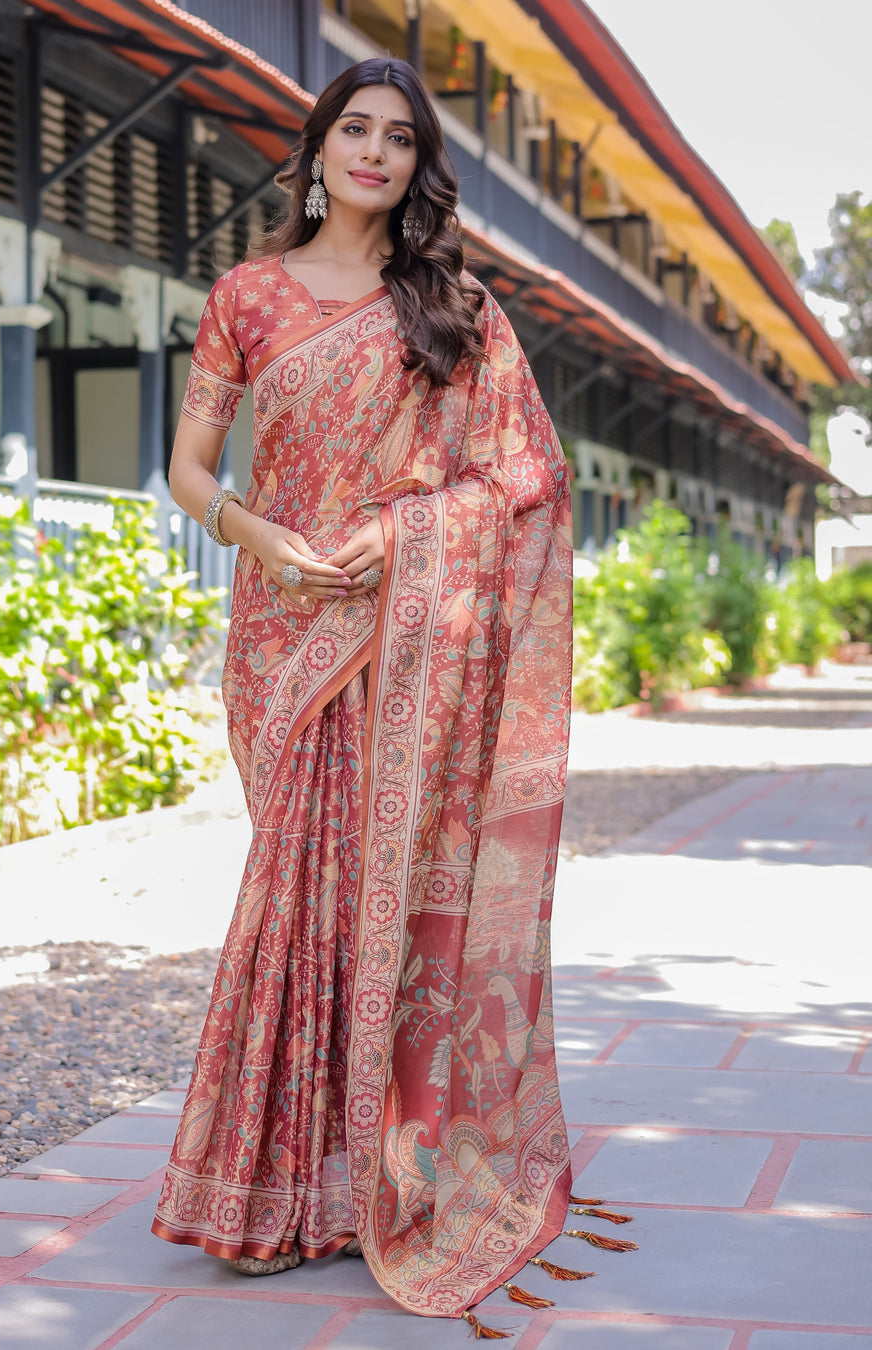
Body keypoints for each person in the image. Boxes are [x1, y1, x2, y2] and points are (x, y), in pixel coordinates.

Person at [152, 56, 621, 1333]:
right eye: (352, 129)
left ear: (418, 166)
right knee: (296, 893)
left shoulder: (452, 305)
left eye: (398, 137)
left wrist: (406, 536)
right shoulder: (247, 294)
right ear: (316, 149)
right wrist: (257, 537)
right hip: (283, 628)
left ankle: (371, 1183)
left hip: (408, 635)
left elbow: (528, 473)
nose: (372, 151)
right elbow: (191, 467)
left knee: (379, 896)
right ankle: (273, 1189)